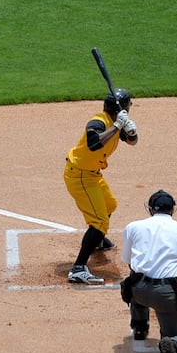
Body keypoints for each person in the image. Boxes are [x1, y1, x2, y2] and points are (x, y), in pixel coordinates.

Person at [118, 189, 177, 353]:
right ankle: (172, 345)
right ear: (173, 209)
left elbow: (131, 262)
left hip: (138, 290)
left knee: (135, 279)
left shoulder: (133, 227)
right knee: (176, 336)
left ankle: (139, 327)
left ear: (150, 209)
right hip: (166, 294)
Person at [62, 87, 138, 284]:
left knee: (110, 205)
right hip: (80, 176)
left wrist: (130, 131)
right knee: (99, 221)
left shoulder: (116, 121)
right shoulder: (98, 121)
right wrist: (117, 126)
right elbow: (94, 144)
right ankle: (78, 268)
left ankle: (97, 240)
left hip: (92, 175)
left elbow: (132, 142)